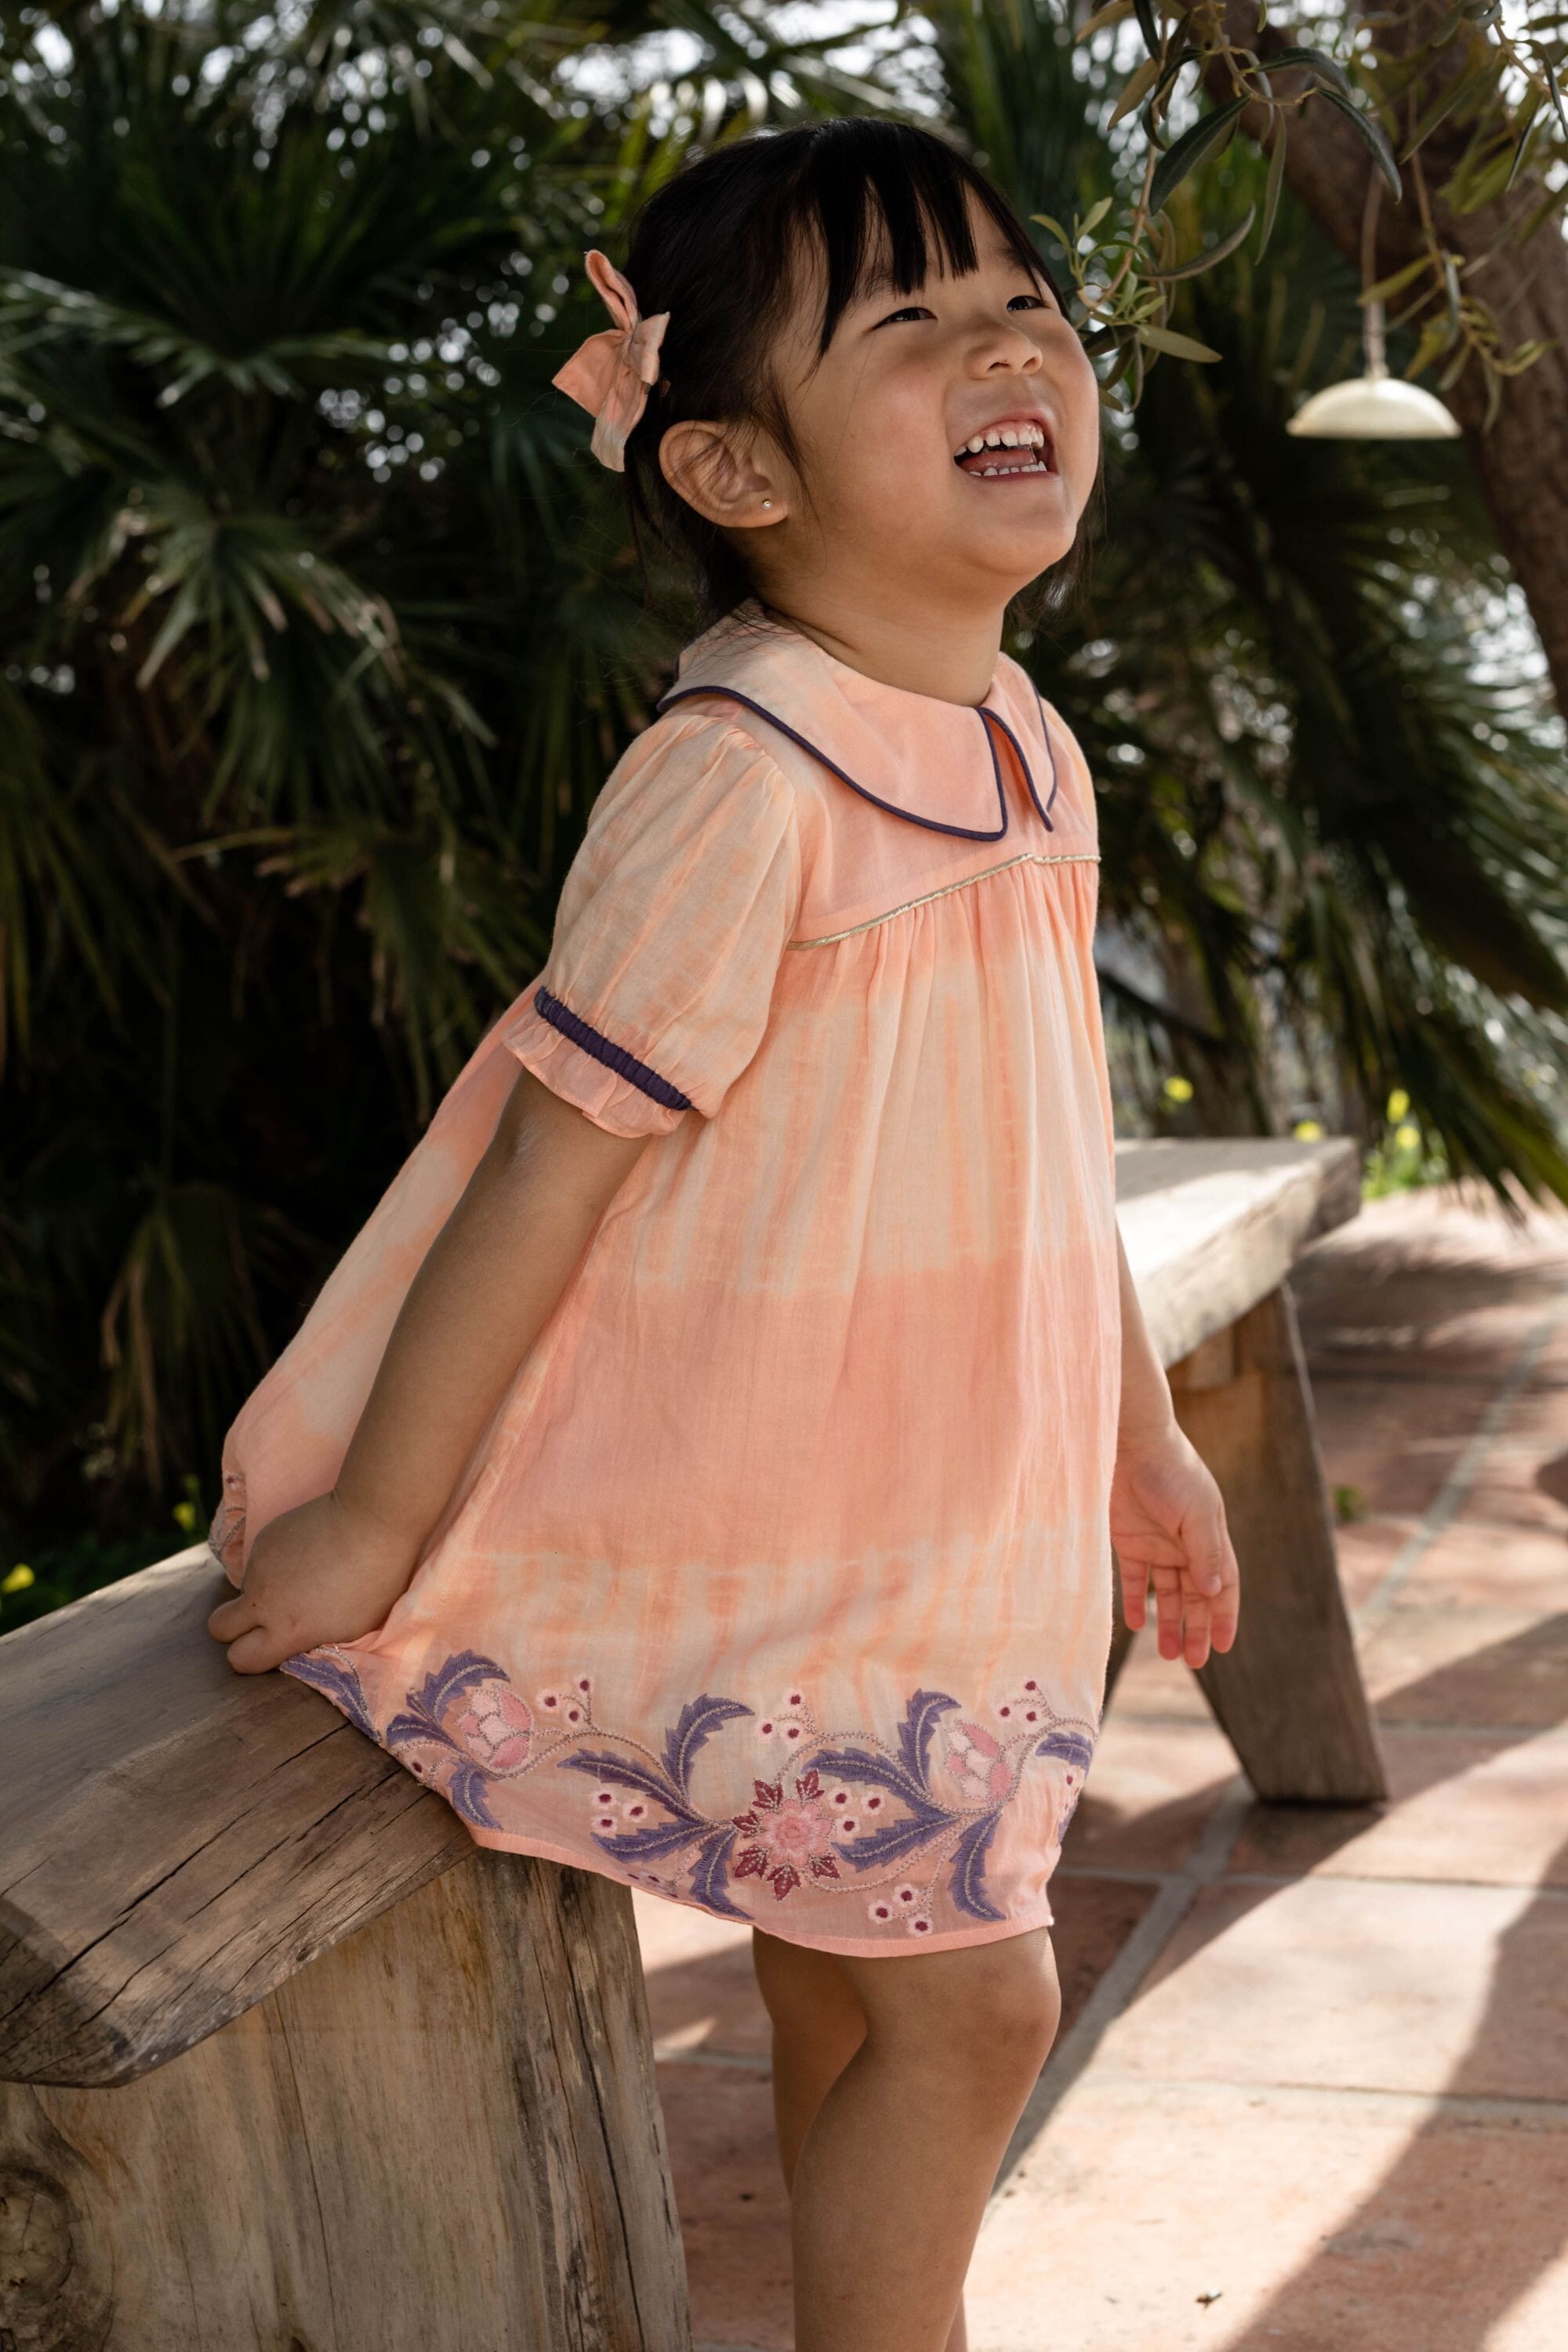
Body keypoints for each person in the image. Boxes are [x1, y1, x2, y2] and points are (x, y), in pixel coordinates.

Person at [208, 117, 1240, 2352]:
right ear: (737, 471)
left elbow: (1049, 1137)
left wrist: (1139, 1441)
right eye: (915, 321)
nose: (1011, 347)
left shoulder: (1026, 746)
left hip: (933, 1509)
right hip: (753, 1508)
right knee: (978, 2002)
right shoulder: (744, 776)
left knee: (863, 1995)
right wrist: (373, 1521)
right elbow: (546, 1167)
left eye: (1027, 302)